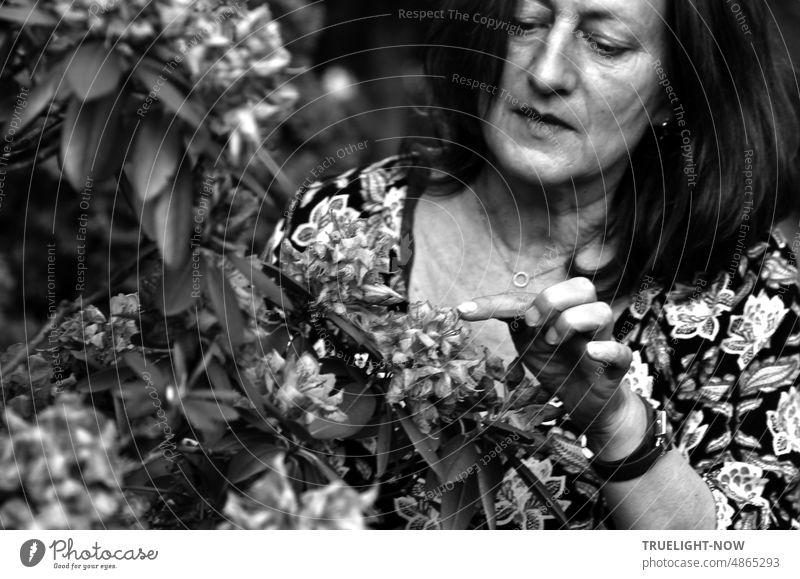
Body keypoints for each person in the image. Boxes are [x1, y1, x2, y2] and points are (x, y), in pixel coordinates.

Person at [268, 0, 800, 529]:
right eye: (526, 23)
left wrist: (615, 422)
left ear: (674, 94)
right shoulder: (341, 220)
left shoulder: (754, 308)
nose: (545, 72)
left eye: (605, 44)